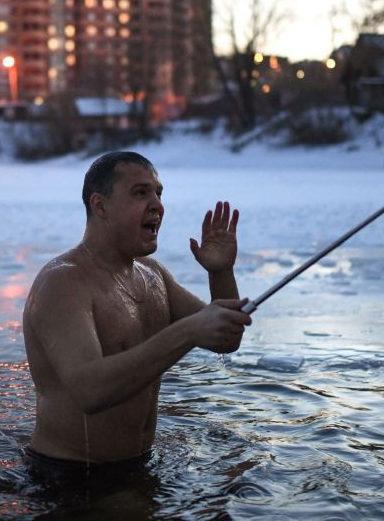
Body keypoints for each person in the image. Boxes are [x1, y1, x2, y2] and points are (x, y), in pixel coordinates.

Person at [22, 151, 252, 472]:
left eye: (158, 193)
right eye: (141, 193)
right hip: (69, 477)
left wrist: (220, 274)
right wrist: (187, 332)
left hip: (140, 466)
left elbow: (225, 339)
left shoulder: (153, 275)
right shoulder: (63, 282)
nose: (157, 204)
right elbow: (90, 391)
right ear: (99, 205)